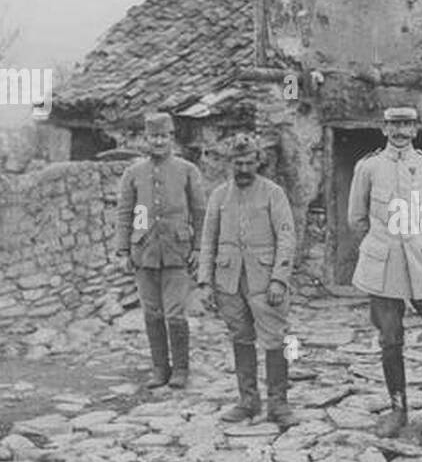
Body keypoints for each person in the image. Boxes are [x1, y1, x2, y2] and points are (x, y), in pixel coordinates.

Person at [348, 106, 422, 436]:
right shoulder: (368, 167)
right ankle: (397, 408)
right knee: (390, 338)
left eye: (406, 124)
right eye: (394, 124)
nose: (400, 130)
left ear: (416, 129)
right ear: (384, 129)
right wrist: (381, 244)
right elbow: (356, 218)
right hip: (384, 262)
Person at [197, 132, 297, 429]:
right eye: (237, 163)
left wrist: (279, 278)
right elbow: (208, 240)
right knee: (240, 338)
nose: (242, 169)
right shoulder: (218, 195)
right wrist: (205, 281)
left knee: (274, 339)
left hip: (265, 282)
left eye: (248, 163)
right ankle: (248, 401)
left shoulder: (273, 193)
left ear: (258, 162)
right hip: (229, 281)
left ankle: (278, 405)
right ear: (231, 163)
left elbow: (287, 237)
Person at [116, 112, 205, 389]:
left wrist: (200, 248)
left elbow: (200, 211)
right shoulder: (134, 173)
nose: (158, 141)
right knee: (151, 313)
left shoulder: (187, 170)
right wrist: (124, 250)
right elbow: (128, 212)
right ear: (146, 139)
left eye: (163, 136)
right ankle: (159, 368)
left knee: (175, 313)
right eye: (153, 136)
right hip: (144, 252)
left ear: (171, 138)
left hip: (178, 251)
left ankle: (180, 369)